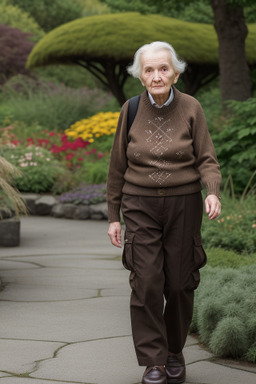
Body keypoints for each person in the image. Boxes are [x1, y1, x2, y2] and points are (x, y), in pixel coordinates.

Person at [107, 41, 221, 384]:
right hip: (139, 204)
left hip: (183, 203)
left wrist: (212, 192)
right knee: (146, 282)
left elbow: (207, 159)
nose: (157, 76)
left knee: (181, 282)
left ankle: (174, 352)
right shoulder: (129, 110)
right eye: (149, 70)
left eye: (163, 69)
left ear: (175, 72)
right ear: (140, 76)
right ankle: (153, 360)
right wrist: (114, 215)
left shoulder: (191, 108)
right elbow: (117, 167)